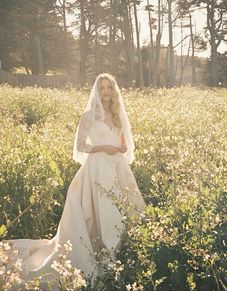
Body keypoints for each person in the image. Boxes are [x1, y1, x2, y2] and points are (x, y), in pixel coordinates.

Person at [6, 73, 146, 288]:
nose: (106, 92)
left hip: (117, 167)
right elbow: (81, 147)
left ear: (114, 90)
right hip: (96, 169)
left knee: (121, 211)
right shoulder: (89, 115)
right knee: (100, 212)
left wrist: (121, 147)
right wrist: (102, 147)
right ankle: (101, 256)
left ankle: (121, 254)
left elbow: (121, 141)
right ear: (97, 91)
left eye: (109, 88)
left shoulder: (118, 113)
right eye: (102, 88)